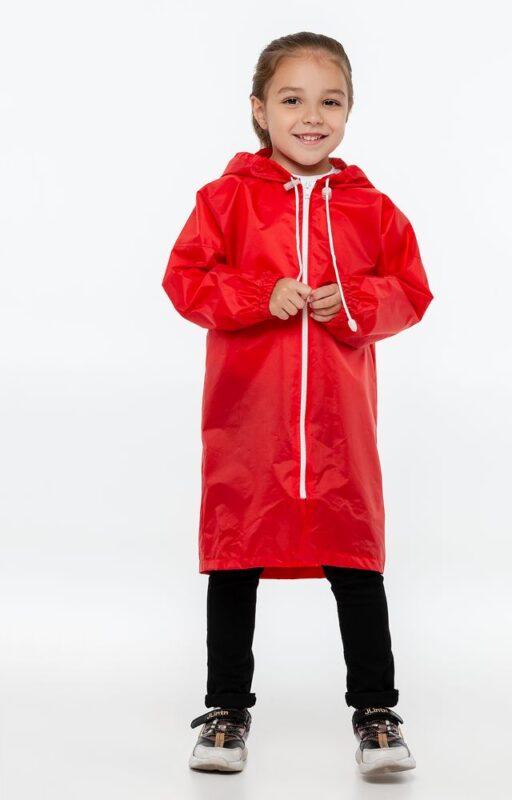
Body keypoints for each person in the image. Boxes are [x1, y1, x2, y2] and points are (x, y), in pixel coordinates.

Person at [162, 31, 434, 775]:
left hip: (340, 431)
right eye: (292, 99)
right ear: (260, 109)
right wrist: (261, 293)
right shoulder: (225, 201)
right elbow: (185, 280)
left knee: (355, 562)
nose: (311, 116)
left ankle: (377, 714)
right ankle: (225, 711)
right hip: (249, 424)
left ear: (349, 110)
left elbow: (411, 291)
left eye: (329, 101)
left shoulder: (372, 208)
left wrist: (353, 300)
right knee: (236, 558)